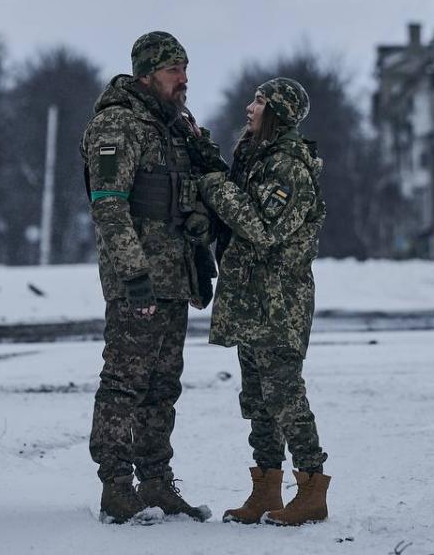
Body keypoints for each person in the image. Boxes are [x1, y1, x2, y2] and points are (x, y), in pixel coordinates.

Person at [81, 31, 217, 524]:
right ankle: (116, 487)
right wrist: (133, 275)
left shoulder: (172, 127)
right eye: (172, 70)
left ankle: (156, 482)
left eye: (184, 69)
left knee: (163, 384)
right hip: (137, 279)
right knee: (125, 381)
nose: (183, 79)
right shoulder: (118, 124)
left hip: (175, 275)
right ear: (146, 74)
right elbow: (109, 207)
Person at [197, 77, 331, 526]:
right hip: (252, 298)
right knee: (257, 398)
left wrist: (214, 184)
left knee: (285, 394)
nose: (250, 107)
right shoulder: (256, 158)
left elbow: (261, 227)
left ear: (277, 111)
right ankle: (266, 489)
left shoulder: (290, 166)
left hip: (278, 301)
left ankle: (311, 489)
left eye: (259, 101)